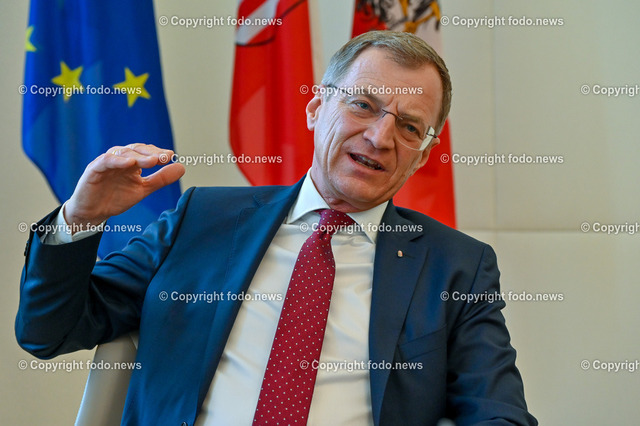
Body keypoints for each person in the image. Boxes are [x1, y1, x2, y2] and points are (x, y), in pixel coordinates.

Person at [16, 31, 537, 425]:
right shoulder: (203, 219)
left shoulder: (456, 267)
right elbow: (47, 331)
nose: (381, 137)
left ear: (422, 155)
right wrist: (80, 219)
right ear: (315, 108)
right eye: (363, 105)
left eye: (409, 127)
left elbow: (499, 414)